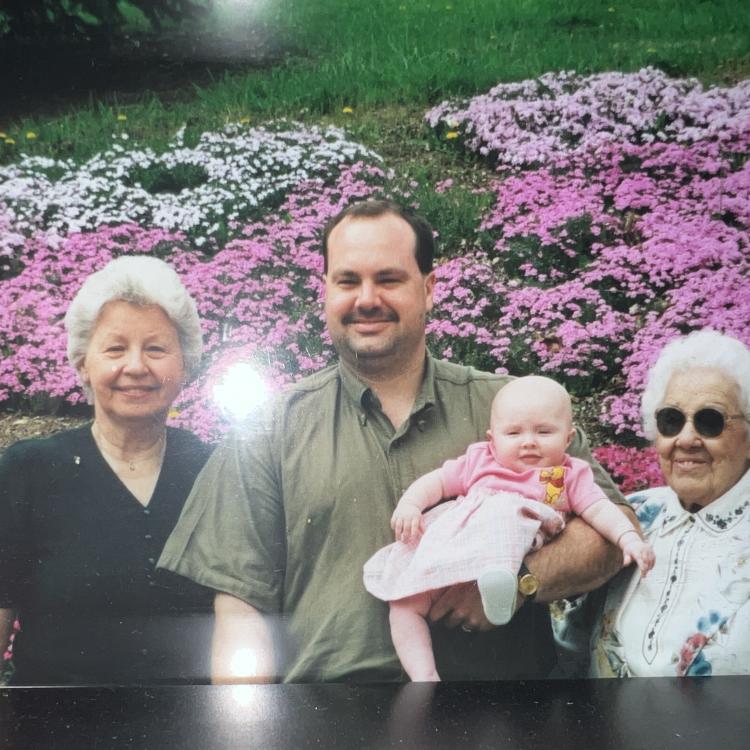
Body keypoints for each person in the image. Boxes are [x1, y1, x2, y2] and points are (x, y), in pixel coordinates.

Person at [158, 199, 633, 683]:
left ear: (428, 289)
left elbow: (613, 534)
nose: (366, 299)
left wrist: (522, 581)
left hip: (498, 717)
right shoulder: (270, 428)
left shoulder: (510, 409)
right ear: (325, 290)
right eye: (347, 281)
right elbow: (240, 608)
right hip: (331, 722)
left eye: (388, 279)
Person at [0, 256, 214, 685]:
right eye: (115, 348)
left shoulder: (214, 471)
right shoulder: (28, 471)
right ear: (83, 362)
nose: (135, 366)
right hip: (51, 732)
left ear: (185, 365)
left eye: (156, 348)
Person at [364, 375, 653, 681]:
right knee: (404, 603)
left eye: (543, 431)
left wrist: (628, 538)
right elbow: (437, 481)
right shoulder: (479, 460)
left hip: (511, 543)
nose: (528, 441)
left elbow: (599, 509)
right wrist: (410, 505)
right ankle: (424, 676)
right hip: (454, 548)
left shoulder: (564, 476)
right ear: (493, 440)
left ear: (568, 439)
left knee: (504, 514)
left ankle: (502, 584)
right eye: (513, 432)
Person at [588, 330, 750, 677]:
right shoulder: (631, 515)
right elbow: (570, 648)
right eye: (672, 420)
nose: (687, 439)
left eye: (711, 421)